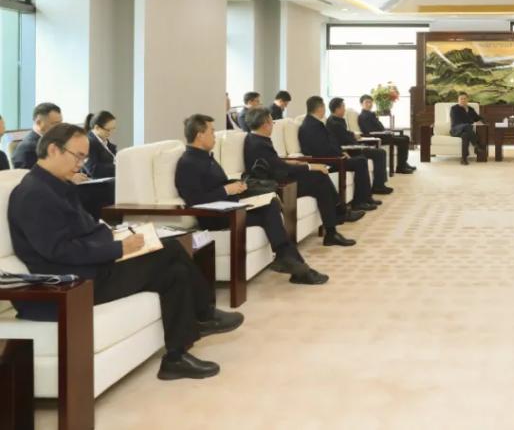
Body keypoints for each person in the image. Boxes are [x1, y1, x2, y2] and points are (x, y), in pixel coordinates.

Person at [8, 123, 244, 380]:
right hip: (75, 283)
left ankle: (176, 357)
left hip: (93, 266)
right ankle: (204, 314)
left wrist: (117, 237)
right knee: (170, 249)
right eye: (78, 156)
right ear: (54, 149)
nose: (81, 164)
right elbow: (59, 250)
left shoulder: (57, 186)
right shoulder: (33, 194)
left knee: (174, 272)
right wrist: (118, 248)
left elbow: (88, 228)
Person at [175, 114, 328, 285]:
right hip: (216, 217)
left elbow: (217, 184)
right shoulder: (187, 163)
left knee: (271, 205)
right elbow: (194, 200)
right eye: (211, 132)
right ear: (200, 135)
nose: (214, 136)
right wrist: (226, 190)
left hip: (230, 207)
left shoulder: (205, 157)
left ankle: (291, 261)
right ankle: (296, 266)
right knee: (269, 213)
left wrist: (235, 185)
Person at [243, 107, 358, 246]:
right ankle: (335, 224)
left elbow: (273, 163)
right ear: (265, 123)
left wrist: (292, 162)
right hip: (279, 185)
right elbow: (279, 169)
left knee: (320, 177)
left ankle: (337, 218)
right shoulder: (259, 143)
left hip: (279, 177)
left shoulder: (254, 139)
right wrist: (310, 166)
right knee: (319, 177)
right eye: (272, 122)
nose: (273, 125)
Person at [298, 96, 378, 211]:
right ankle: (359, 202)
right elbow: (322, 150)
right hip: (328, 161)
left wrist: (342, 152)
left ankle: (366, 198)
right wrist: (340, 155)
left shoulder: (315, 123)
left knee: (360, 159)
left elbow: (331, 143)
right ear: (320, 108)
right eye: (324, 107)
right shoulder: (311, 126)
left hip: (333, 157)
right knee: (360, 161)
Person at [325, 97, 392, 195]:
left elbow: (345, 134)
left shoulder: (337, 120)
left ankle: (379, 184)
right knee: (380, 153)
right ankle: (378, 186)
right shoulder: (334, 123)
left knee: (379, 152)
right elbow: (344, 139)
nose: (344, 109)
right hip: (350, 150)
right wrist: (354, 137)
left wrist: (354, 137)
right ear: (337, 109)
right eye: (343, 107)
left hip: (353, 146)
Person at [358, 94, 416, 174]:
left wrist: (385, 132)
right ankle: (401, 167)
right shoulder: (363, 116)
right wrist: (383, 133)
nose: (369, 104)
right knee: (403, 140)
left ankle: (403, 163)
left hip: (382, 135)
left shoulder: (370, 114)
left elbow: (379, 127)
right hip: (376, 138)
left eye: (371, 102)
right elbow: (368, 131)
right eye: (367, 102)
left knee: (406, 137)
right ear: (361, 104)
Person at [12, 102, 63, 169]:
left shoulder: (56, 141)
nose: (60, 128)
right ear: (38, 123)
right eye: (55, 124)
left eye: (60, 123)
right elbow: (28, 175)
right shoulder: (28, 149)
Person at [449, 92, 485, 165]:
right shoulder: (454, 109)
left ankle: (464, 159)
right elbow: (458, 121)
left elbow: (478, 118)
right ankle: (476, 145)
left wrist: (480, 121)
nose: (463, 100)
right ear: (458, 100)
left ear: (467, 99)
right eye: (461, 99)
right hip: (455, 130)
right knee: (467, 126)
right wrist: (472, 122)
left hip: (466, 131)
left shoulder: (471, 109)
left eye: (464, 99)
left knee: (465, 135)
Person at [84, 111, 117, 178]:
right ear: (97, 127)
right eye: (108, 130)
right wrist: (117, 166)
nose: (111, 133)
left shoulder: (108, 144)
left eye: (113, 129)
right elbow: (93, 170)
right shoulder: (88, 143)